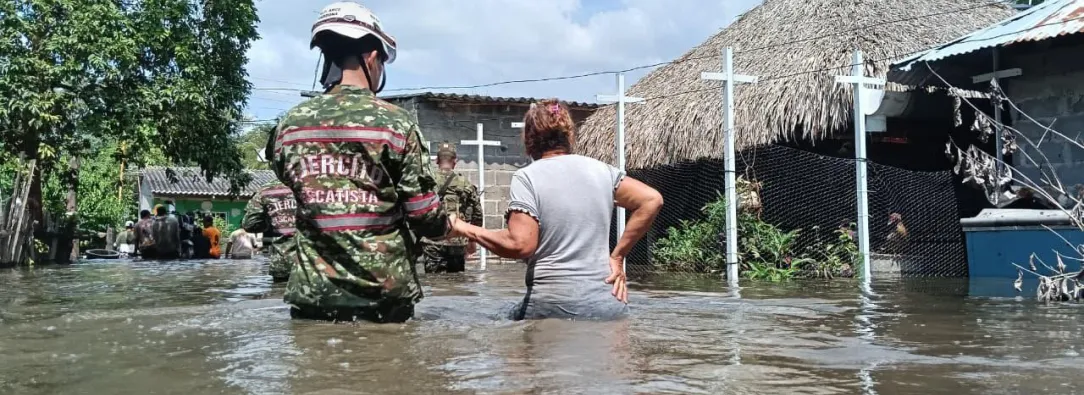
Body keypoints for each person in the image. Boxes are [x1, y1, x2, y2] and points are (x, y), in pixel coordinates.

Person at [270, 1, 453, 323]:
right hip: (383, 297)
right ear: (372, 58)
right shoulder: (396, 125)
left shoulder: (289, 125)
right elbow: (425, 216)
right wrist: (451, 225)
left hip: (314, 296)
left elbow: (288, 181)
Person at [448, 99, 664, 321]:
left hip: (553, 305)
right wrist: (618, 257)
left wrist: (464, 228)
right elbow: (651, 200)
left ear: (529, 140)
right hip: (610, 304)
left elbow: (520, 244)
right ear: (569, 136)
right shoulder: (603, 171)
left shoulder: (527, 177)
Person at [417, 142, 482, 273]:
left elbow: (415, 209)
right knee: (457, 280)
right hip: (457, 241)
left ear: (437, 160)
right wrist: (472, 241)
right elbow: (477, 214)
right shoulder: (465, 184)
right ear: (455, 161)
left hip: (432, 240)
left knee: (433, 280)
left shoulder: (427, 182)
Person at [242, 180, 298, 282]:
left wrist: (272, 223)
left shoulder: (266, 189)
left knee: (280, 291)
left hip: (283, 262)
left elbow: (250, 224)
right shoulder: (321, 185)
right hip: (317, 263)